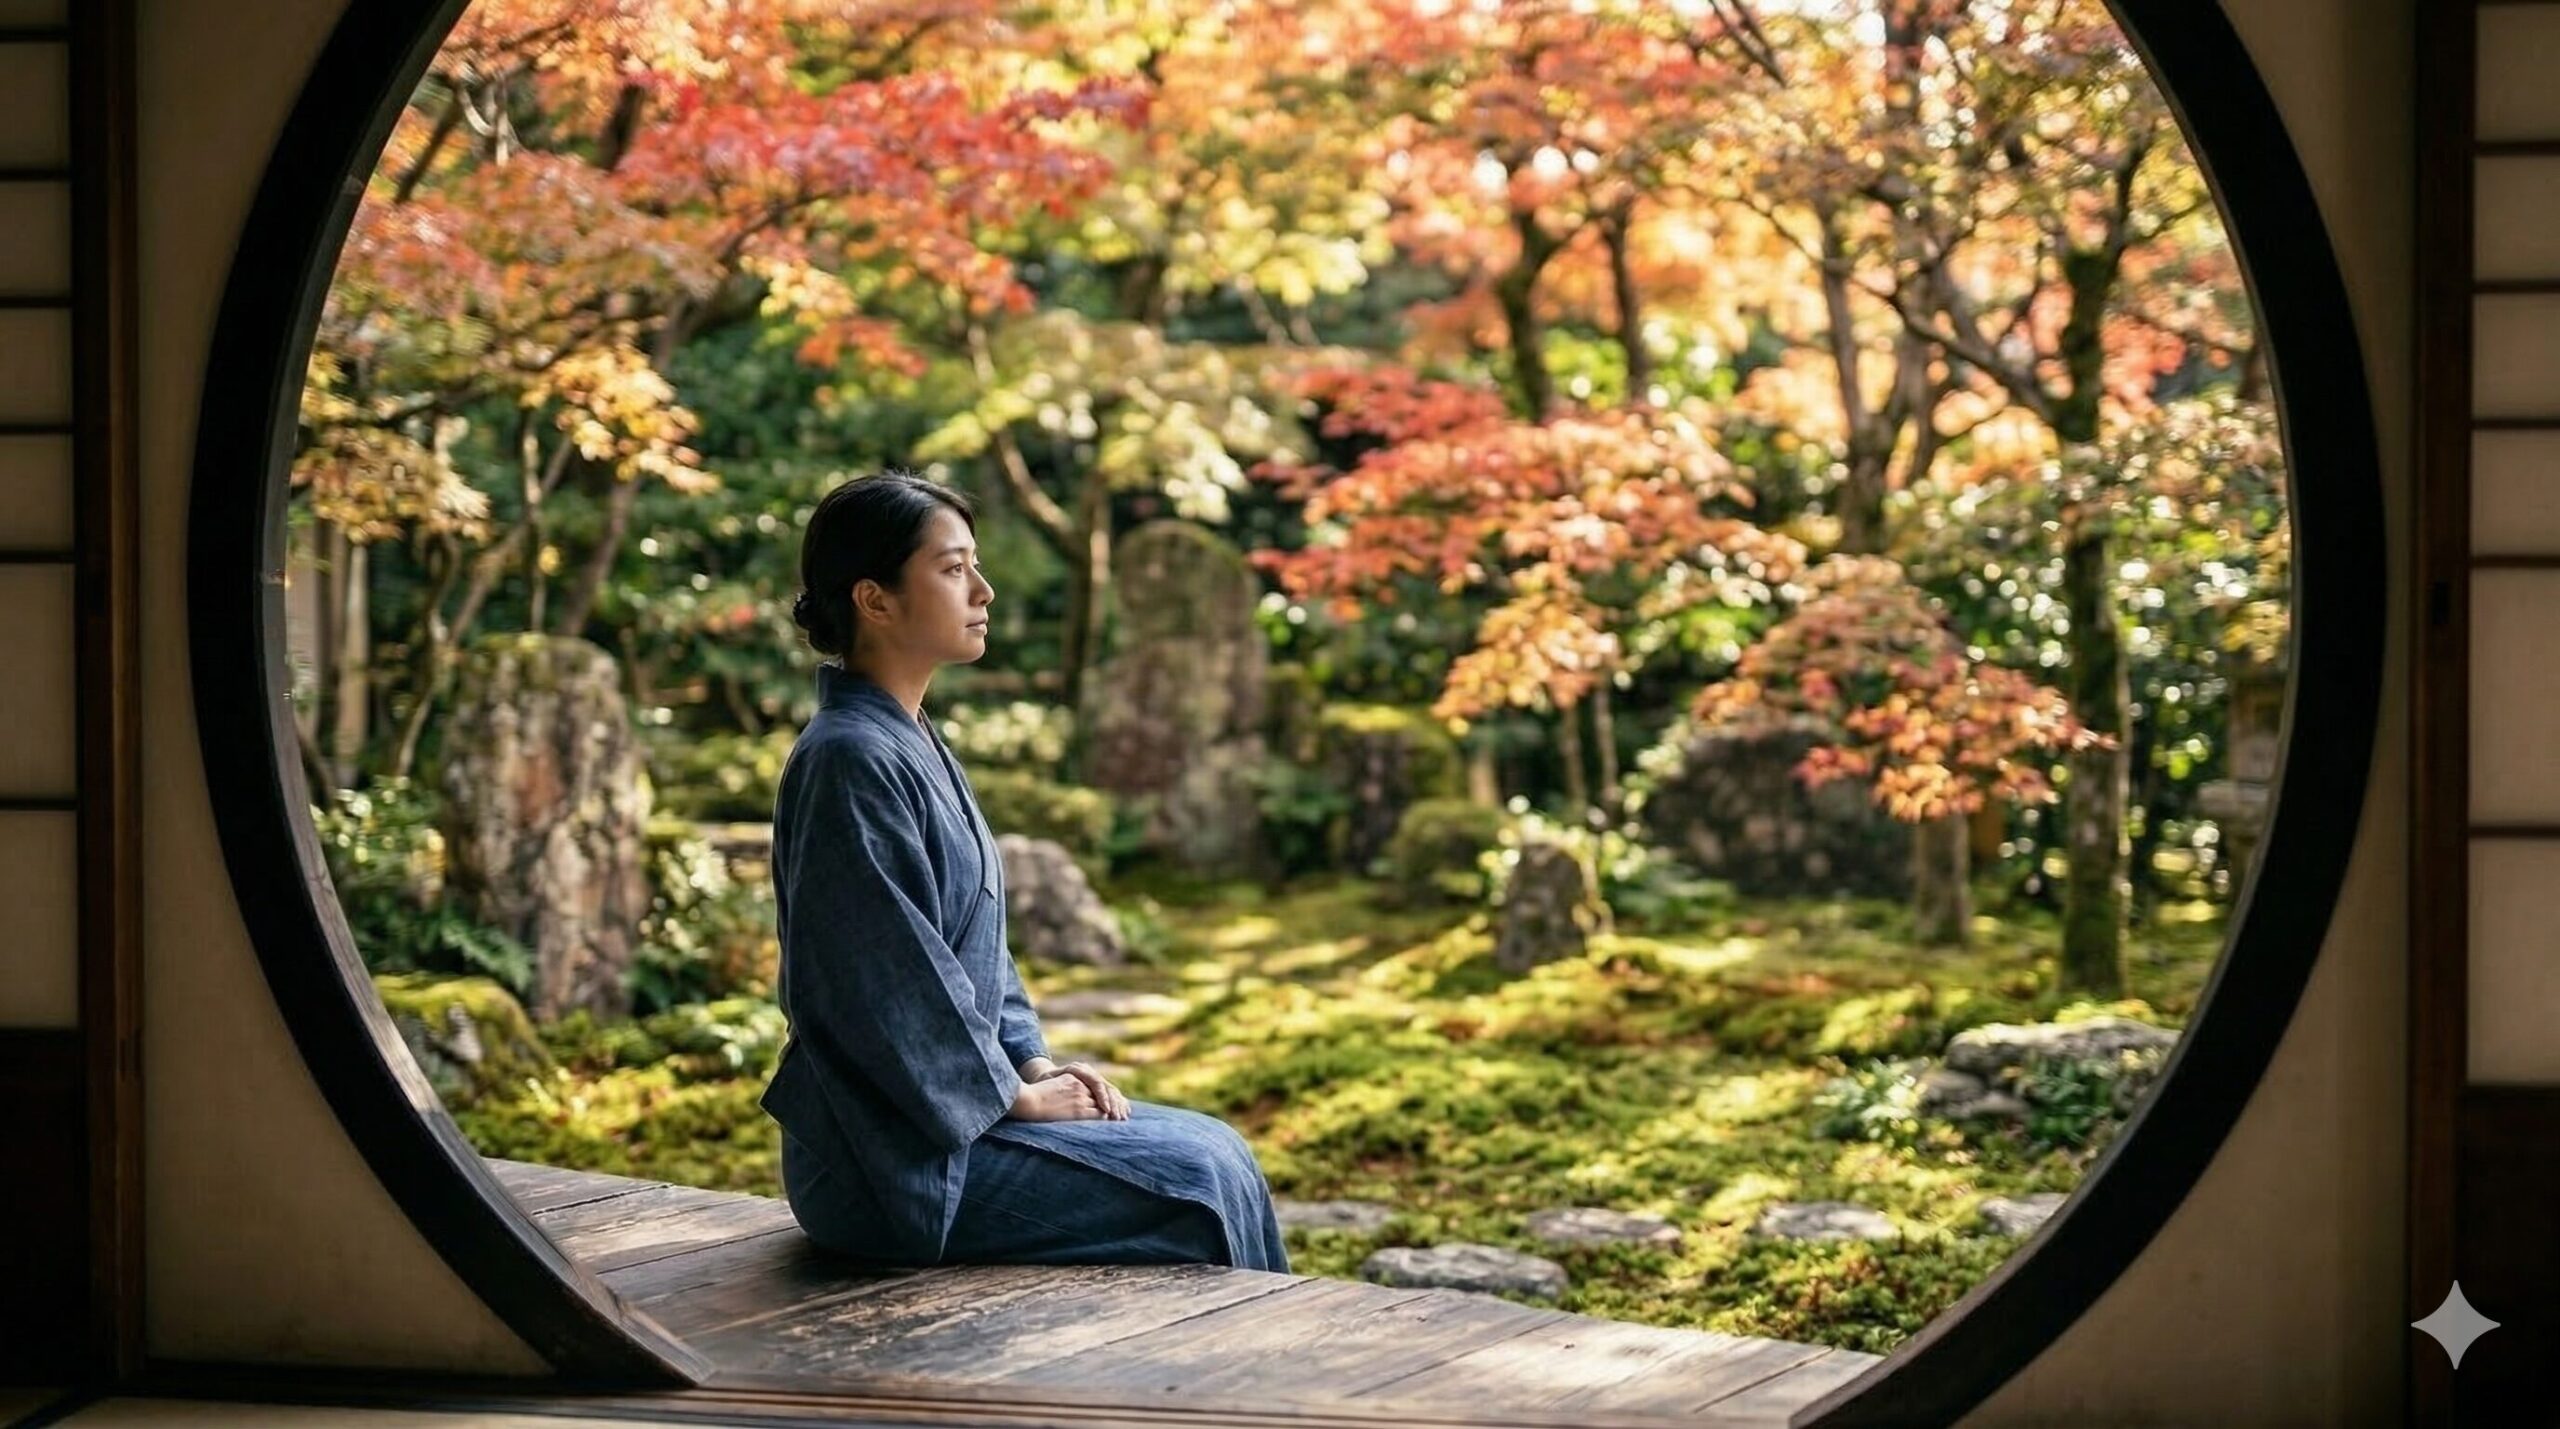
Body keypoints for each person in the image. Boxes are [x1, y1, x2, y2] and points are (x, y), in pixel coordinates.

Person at [760, 468, 1290, 1274]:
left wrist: (1034, 1062)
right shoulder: (849, 758)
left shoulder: (907, 736)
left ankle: (1265, 1390)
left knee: (1218, 1145)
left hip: (946, 1121)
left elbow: (976, 956)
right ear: (875, 599)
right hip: (887, 1165)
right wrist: (1015, 1098)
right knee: (1197, 1185)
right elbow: (885, 983)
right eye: (952, 567)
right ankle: (1232, 1395)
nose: (984, 588)